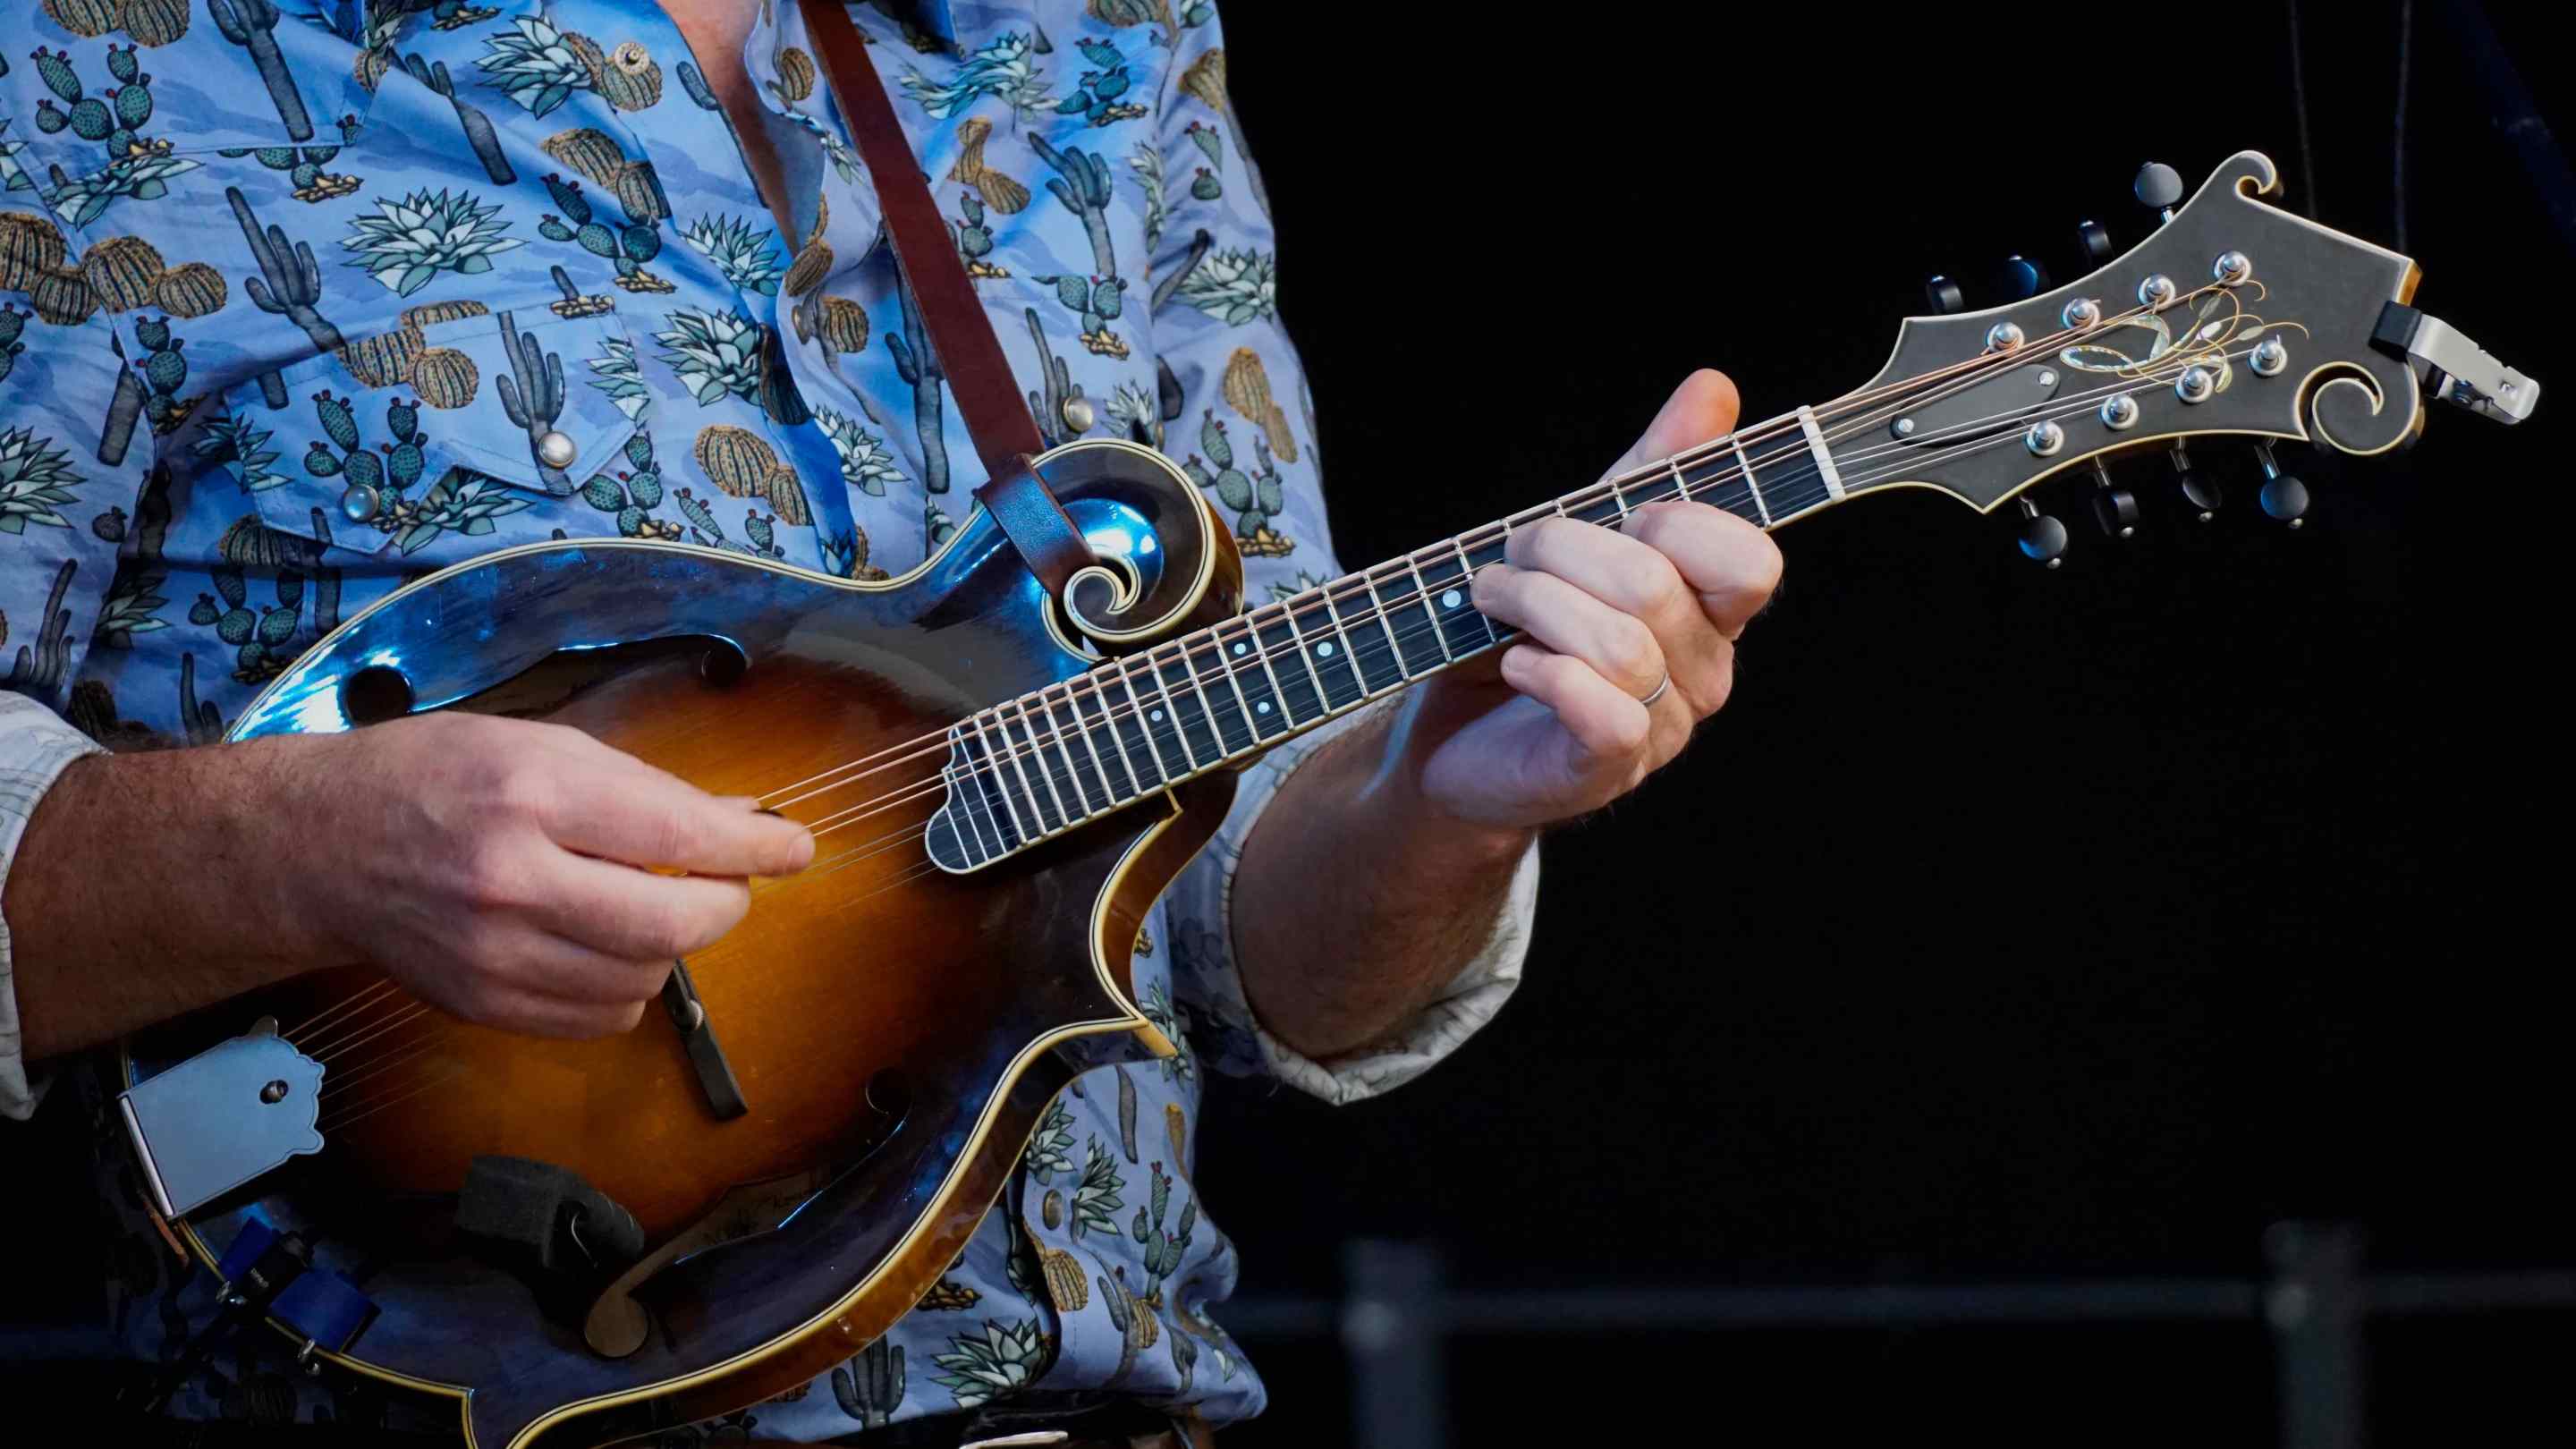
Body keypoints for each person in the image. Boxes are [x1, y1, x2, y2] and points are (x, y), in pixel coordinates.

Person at [0, 0, 1778, 1440]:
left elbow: (1255, 956)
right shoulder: (99, 63)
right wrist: (298, 853)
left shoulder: (1105, 45)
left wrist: (1444, 799)